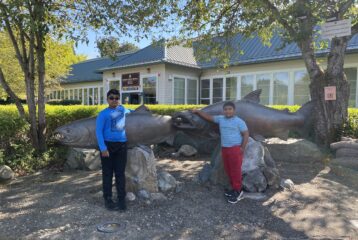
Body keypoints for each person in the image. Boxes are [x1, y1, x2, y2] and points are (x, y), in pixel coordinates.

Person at [192, 101, 249, 204]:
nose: (228, 111)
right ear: (224, 111)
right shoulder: (221, 119)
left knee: (235, 170)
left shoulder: (239, 121)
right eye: (226, 109)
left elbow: (246, 134)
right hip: (225, 149)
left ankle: (239, 191)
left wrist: (242, 148)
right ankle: (234, 188)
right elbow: (208, 117)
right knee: (228, 169)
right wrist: (198, 111)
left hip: (235, 149)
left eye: (230, 109)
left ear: (234, 110)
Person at [96, 89, 130, 211]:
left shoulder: (123, 110)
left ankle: (121, 200)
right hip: (107, 146)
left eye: (116, 98)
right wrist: (103, 148)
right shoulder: (103, 114)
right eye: (111, 98)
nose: (114, 100)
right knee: (107, 174)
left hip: (121, 146)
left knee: (120, 174)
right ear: (107, 99)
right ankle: (108, 199)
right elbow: (98, 132)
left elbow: (132, 112)